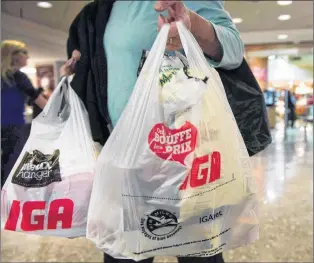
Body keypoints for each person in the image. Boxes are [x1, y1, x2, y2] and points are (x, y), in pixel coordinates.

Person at [62, 1, 245, 263]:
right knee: (124, 254)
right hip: (126, 159)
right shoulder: (101, 9)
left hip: (189, 157)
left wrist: (194, 26)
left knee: (198, 253)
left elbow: (234, 50)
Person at [1, 40, 48, 188]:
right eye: (25, 53)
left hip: (10, 126)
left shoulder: (13, 77)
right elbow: (39, 100)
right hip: (13, 127)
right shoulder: (17, 77)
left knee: (9, 164)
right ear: (14, 56)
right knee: (13, 165)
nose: (27, 57)